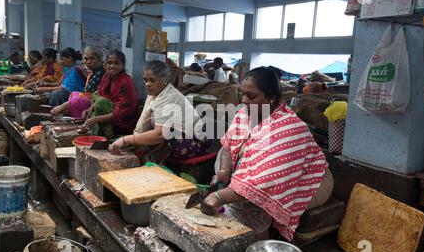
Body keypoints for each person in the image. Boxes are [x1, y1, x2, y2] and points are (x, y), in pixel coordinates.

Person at [201, 67, 327, 242]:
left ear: (271, 98)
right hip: (260, 179)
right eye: (242, 94)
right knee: (231, 175)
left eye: (251, 96)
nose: (244, 100)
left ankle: (259, 245)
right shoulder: (245, 114)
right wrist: (223, 172)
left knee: (252, 204)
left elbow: (266, 182)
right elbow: (229, 146)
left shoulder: (289, 128)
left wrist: (218, 196)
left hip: (308, 183)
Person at [109, 60, 211, 163]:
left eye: (152, 80)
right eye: (145, 80)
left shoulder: (169, 97)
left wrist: (126, 140)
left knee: (163, 135)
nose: (147, 84)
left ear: (165, 80)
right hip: (177, 134)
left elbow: (158, 135)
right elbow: (144, 119)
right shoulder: (154, 94)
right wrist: (135, 138)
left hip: (195, 140)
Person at [79, 50, 140, 139]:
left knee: (101, 104)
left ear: (122, 65)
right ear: (105, 65)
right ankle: (98, 136)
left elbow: (123, 112)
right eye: (109, 63)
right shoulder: (107, 77)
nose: (112, 66)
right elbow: (100, 94)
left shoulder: (126, 82)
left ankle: (108, 135)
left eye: (116, 63)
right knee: (96, 99)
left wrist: (95, 119)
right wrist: (89, 109)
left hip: (125, 121)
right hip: (110, 114)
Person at [50, 46, 105, 119]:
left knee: (66, 97)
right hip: (89, 97)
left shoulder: (101, 73)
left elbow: (92, 94)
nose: (88, 62)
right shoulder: (93, 72)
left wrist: (64, 105)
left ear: (100, 59)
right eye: (86, 59)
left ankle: (78, 120)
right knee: (74, 94)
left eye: (92, 58)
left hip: (97, 102)